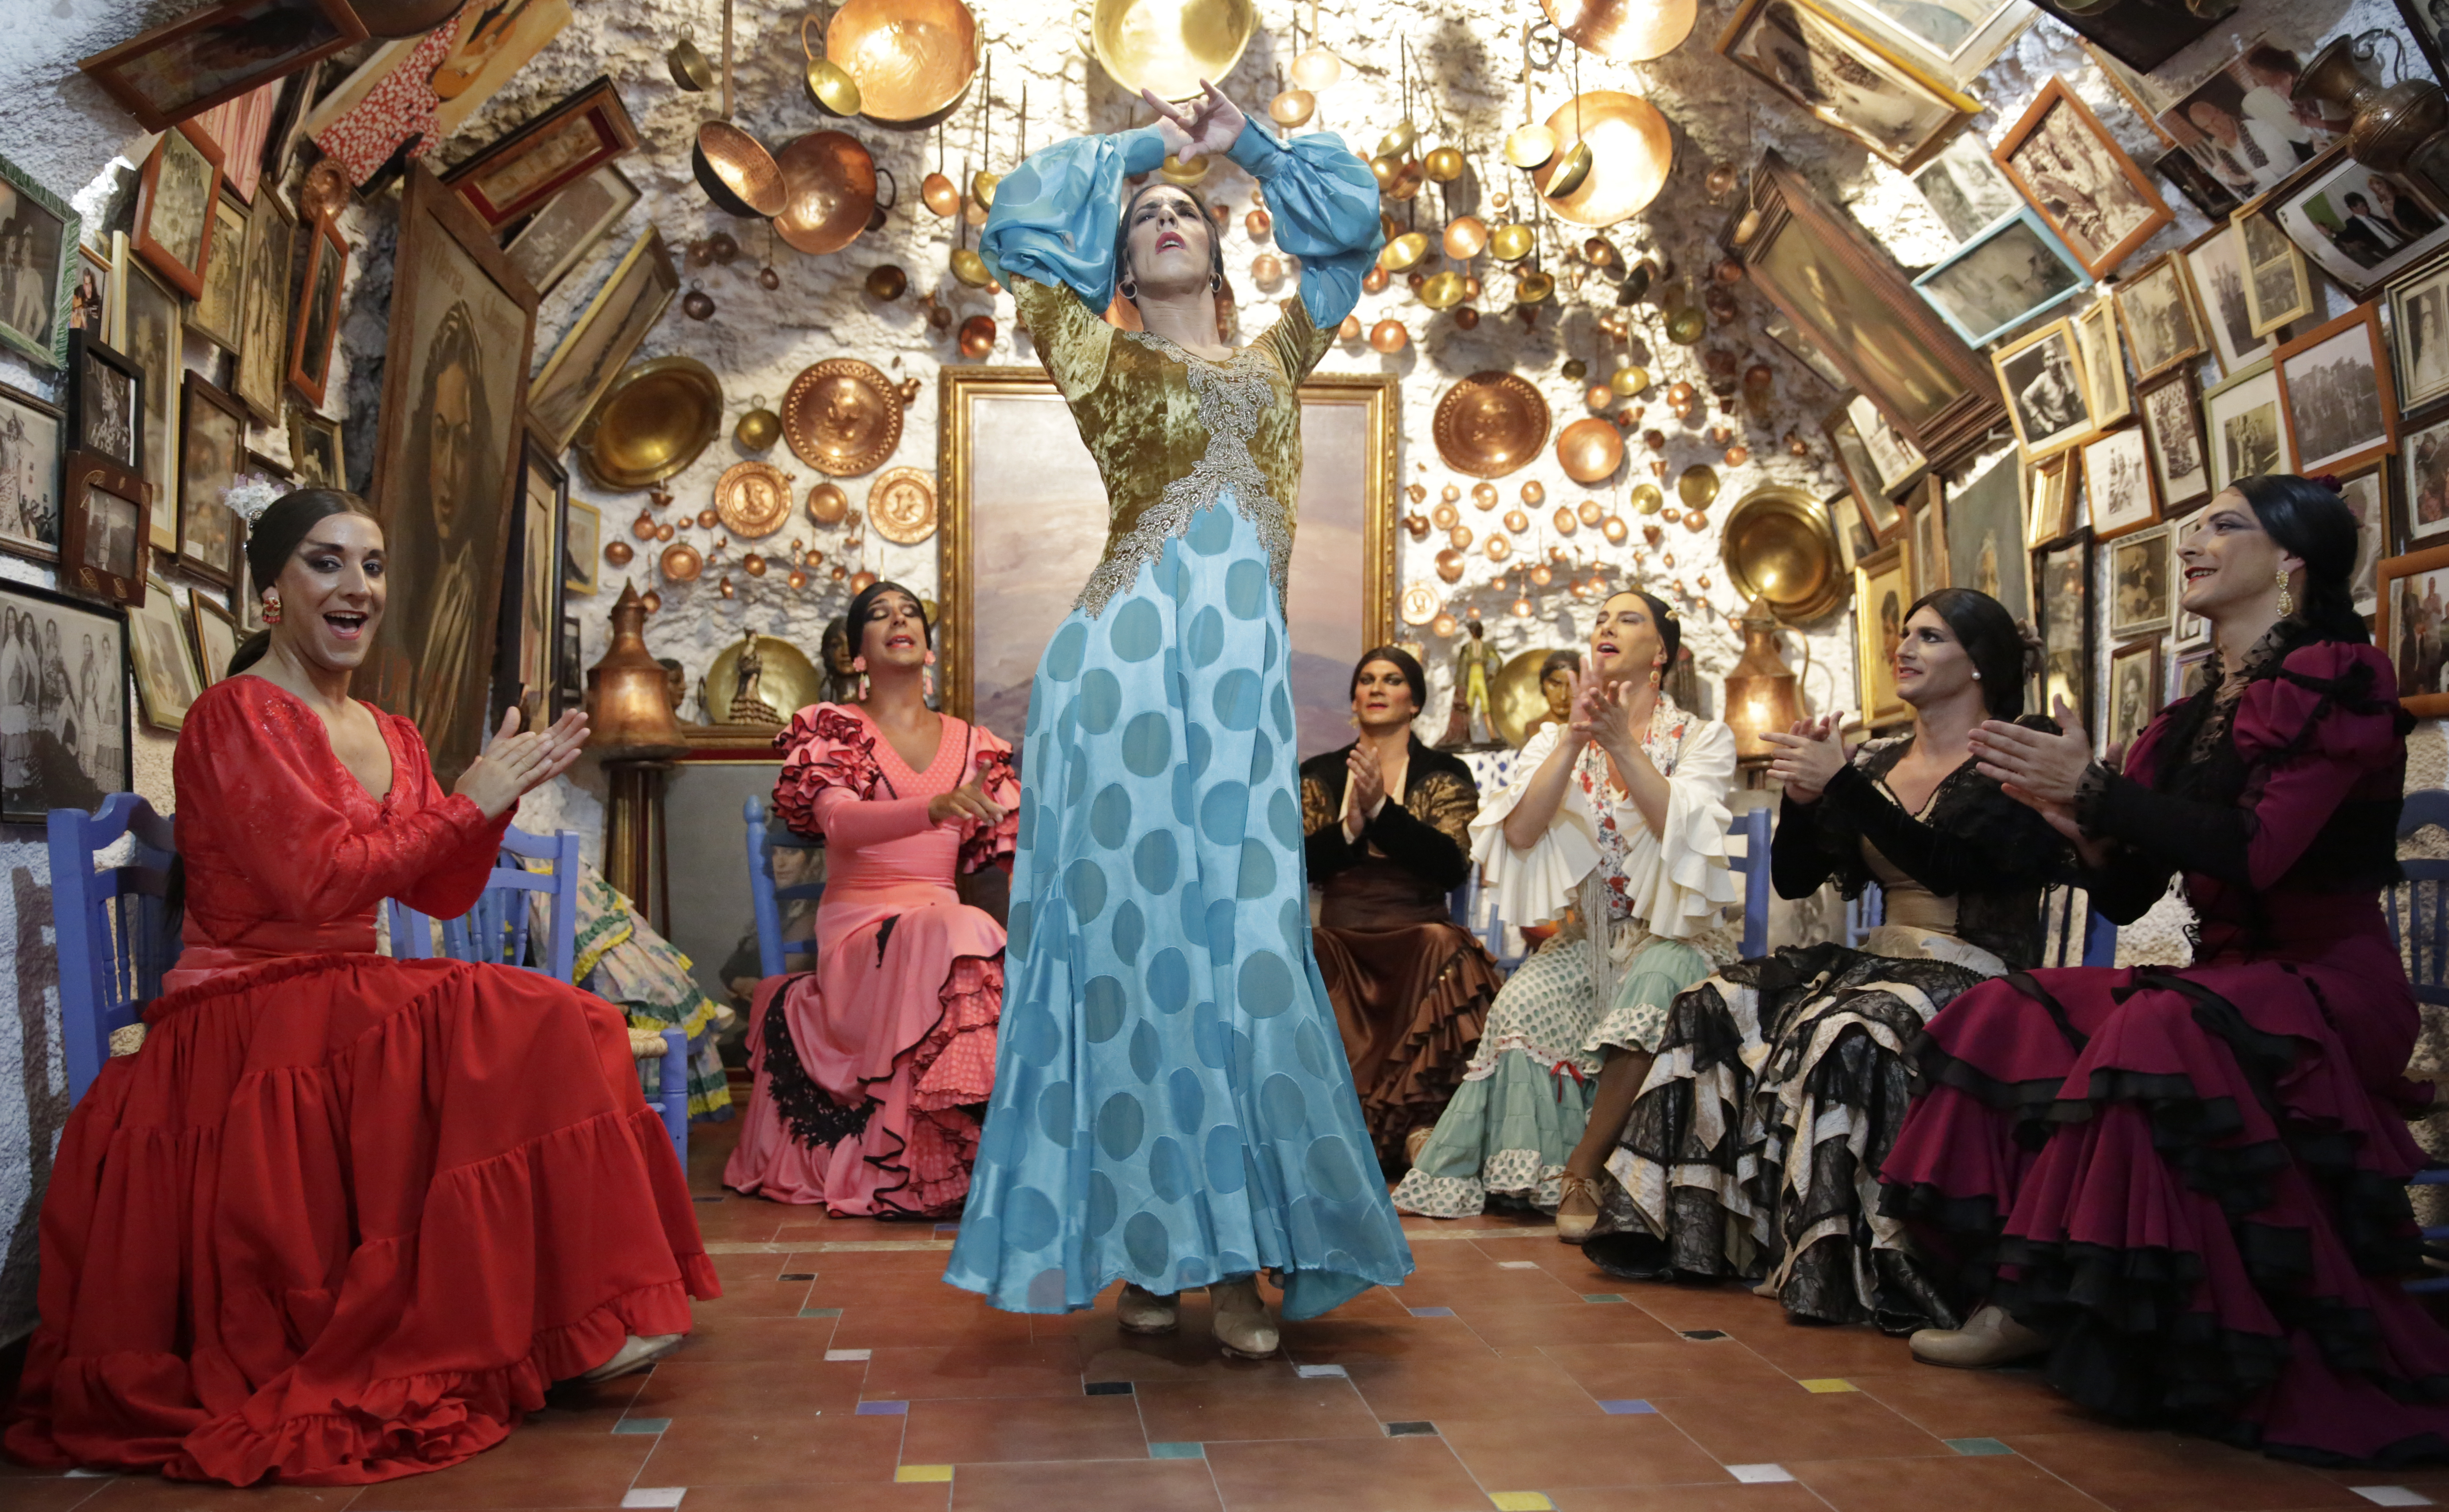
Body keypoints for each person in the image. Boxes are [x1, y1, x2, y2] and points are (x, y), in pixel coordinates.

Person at [4, 488, 714, 1486]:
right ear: (268, 599)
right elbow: (319, 879)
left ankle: (562, 1320)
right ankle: (554, 1324)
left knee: (577, 1018)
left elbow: (434, 882)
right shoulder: (238, 714)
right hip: (242, 1009)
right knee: (538, 1017)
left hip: (338, 993)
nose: (358, 586)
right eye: (327, 562)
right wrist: (468, 800)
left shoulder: (392, 730)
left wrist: (484, 805)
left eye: (373, 565)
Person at [941, 79, 1409, 1356]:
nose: (1162, 218)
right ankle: (1157, 1258)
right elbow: (1024, 223)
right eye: (1141, 213)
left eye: (1183, 212)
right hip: (1118, 693)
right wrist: (1151, 143)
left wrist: (1241, 144)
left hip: (1233, 707)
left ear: (1216, 248)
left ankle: (1237, 1253)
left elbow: (1353, 227)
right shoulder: (1092, 352)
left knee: (1246, 969)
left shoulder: (1282, 355)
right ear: (1121, 260)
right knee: (1133, 974)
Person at [1882, 475, 2449, 1464]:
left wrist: (2099, 788)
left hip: (2329, 983)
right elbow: (2136, 900)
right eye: (2195, 525)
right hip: (2225, 981)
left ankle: (2039, 1299)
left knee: (2154, 1027)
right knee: (2004, 1012)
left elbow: (2260, 852)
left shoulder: (2338, 674)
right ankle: (2037, 1291)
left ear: (2292, 561)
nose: (2194, 541)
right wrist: (2084, 826)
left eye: (2224, 525)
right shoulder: (2190, 717)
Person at [1580, 590, 2069, 1330]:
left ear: (1979, 664)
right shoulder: (1880, 757)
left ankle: (1843, 1259)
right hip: (1886, 957)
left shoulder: (2012, 747)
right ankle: (1707, 1238)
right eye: (1902, 632)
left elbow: (1949, 865)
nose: (1904, 646)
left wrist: (1842, 784)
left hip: (1978, 968)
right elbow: (1795, 878)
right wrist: (1806, 802)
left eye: (1929, 636)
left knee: (1850, 1026)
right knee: (1715, 1002)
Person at [1393, 590, 1742, 1238]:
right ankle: (1534, 1169)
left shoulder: (1702, 739)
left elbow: (1681, 831)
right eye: (1602, 618)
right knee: (1521, 1001)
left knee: (1655, 981)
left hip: (1675, 938)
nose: (1608, 626)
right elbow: (1521, 832)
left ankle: (1583, 1169)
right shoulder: (1557, 739)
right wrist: (1574, 742)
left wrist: (1623, 746)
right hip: (1587, 939)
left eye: (1628, 619)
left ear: (1662, 652)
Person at [724, 580, 1016, 1216]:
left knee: (980, 934)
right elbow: (839, 824)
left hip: (944, 932)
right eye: (878, 615)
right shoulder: (836, 730)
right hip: (861, 935)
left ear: (929, 651)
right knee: (957, 929)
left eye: (910, 612)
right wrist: (933, 807)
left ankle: (992, 1161)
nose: (898, 619)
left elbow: (998, 869)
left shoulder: (979, 745)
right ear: (857, 655)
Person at [1302, 647, 1501, 1167]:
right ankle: (1334, 1131)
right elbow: (1299, 860)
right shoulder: (1320, 772)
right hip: (1343, 934)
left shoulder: (1443, 770)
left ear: (1414, 702)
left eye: (1391, 680)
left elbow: (1451, 864)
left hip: (1417, 932)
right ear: (1354, 699)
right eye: (1366, 679)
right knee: (1306, 949)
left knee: (1447, 944)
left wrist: (1382, 811)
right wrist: (1351, 826)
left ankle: (1423, 1124)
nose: (1375, 688)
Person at [1526, 648, 1582, 742]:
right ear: (1543, 685)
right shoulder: (1534, 728)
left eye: (1572, 686)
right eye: (1555, 685)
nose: (1563, 696)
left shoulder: (1589, 728)